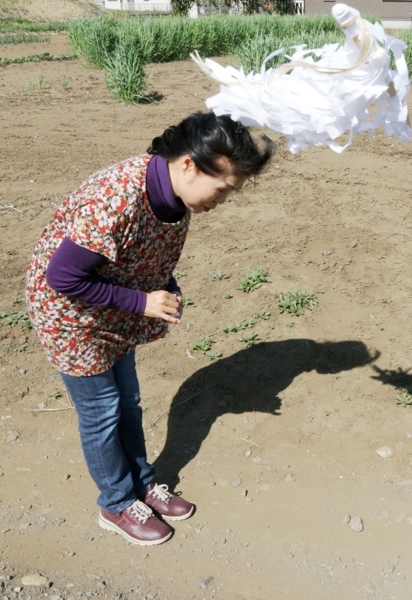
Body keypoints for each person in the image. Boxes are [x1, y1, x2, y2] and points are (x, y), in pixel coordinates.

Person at [26, 112, 274, 545]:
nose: (223, 200)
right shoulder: (116, 198)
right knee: (102, 412)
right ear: (189, 165)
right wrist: (143, 301)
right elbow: (62, 278)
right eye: (223, 189)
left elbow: (148, 251)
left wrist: (165, 286)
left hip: (112, 307)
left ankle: (141, 484)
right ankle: (116, 503)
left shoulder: (177, 196)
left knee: (129, 402)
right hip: (70, 316)